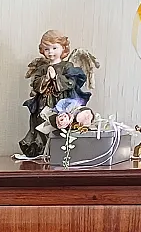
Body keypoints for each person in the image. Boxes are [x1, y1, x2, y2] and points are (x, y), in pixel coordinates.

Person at [19, 30, 96, 158]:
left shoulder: (67, 66)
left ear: (63, 49)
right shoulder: (42, 68)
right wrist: (46, 78)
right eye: (47, 49)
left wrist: (56, 77)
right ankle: (42, 149)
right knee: (41, 124)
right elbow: (36, 84)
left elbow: (71, 83)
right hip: (43, 102)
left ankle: (59, 151)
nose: (51, 52)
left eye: (54, 48)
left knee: (59, 123)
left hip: (61, 102)